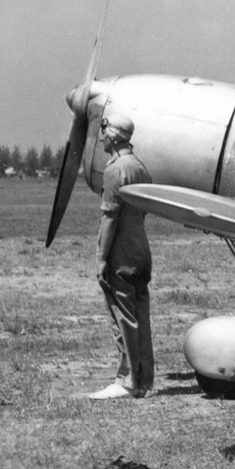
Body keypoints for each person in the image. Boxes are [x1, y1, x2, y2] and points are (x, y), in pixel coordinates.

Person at [89, 111, 154, 400]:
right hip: (141, 250)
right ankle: (142, 380)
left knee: (123, 317)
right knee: (140, 316)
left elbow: (109, 218)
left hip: (121, 255)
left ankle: (127, 381)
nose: (101, 135)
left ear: (113, 135)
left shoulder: (115, 170)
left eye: (104, 129)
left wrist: (102, 258)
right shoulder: (140, 167)